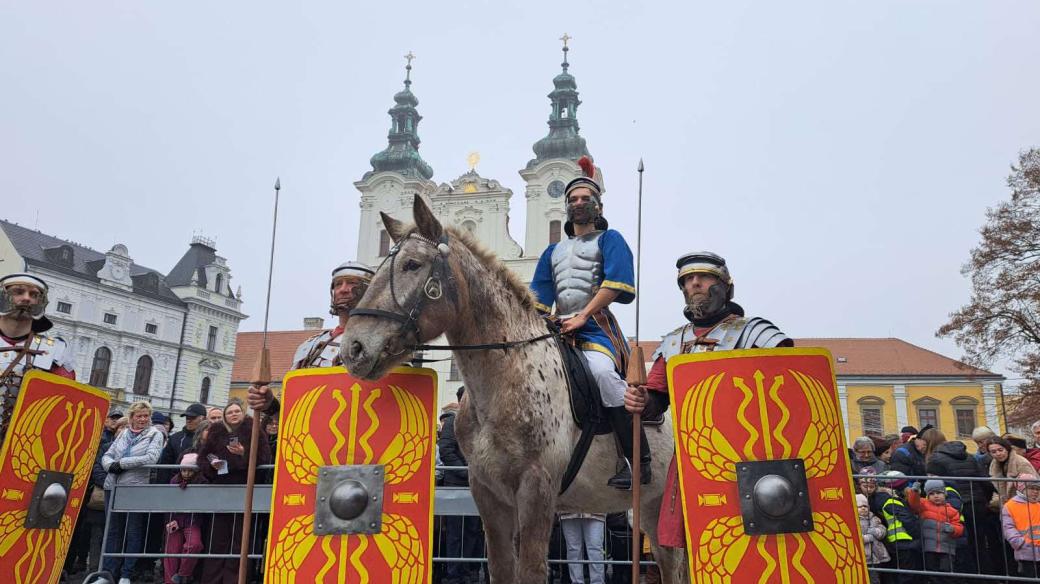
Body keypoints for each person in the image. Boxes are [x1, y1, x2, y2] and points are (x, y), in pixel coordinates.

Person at [624, 251, 791, 547]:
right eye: (688, 280)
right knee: (697, 545)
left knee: (756, 545)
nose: (694, 284)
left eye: (703, 277)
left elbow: (789, 384)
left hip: (751, 456)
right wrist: (642, 400)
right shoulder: (674, 343)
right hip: (694, 458)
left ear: (725, 285)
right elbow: (657, 399)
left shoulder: (755, 333)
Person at [529, 156, 646, 491]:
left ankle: (636, 459)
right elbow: (539, 296)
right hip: (558, 328)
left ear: (597, 205)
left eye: (585, 199)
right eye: (573, 200)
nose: (579, 203)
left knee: (603, 375)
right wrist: (543, 319)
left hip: (595, 327)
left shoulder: (611, 240)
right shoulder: (552, 252)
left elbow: (616, 284)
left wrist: (581, 315)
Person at [248, 261, 375, 416]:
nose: (342, 289)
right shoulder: (310, 346)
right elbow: (294, 413)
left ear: (370, 291)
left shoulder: (387, 344)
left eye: (351, 283)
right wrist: (270, 405)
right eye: (337, 284)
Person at [197, 399, 271, 583]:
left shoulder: (254, 430)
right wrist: (214, 462)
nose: (233, 414)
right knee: (218, 537)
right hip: (221, 488)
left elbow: (265, 457)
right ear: (225, 415)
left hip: (245, 488)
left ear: (243, 412)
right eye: (230, 412)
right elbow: (203, 456)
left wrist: (244, 454)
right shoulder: (216, 430)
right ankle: (213, 578)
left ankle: (236, 578)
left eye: (237, 411)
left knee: (241, 538)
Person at [0, 273, 76, 448]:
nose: (26, 298)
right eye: (18, 291)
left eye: (34, 295)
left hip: (19, 451)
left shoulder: (55, 353)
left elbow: (62, 410)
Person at [100, 400, 165, 584]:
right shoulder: (123, 434)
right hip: (112, 485)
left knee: (133, 531)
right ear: (132, 417)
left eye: (146, 416)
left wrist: (122, 464)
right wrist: (110, 466)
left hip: (135, 487)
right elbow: (108, 454)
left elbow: (151, 457)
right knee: (112, 531)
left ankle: (126, 574)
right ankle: (108, 572)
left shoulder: (155, 434)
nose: (143, 419)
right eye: (139, 416)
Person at [922, 427, 998, 576]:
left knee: (962, 546)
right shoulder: (968, 456)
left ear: (929, 443)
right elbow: (985, 481)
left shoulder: (935, 459)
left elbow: (933, 485)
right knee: (980, 544)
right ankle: (988, 577)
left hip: (955, 506)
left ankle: (967, 577)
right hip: (977, 504)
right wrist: (985, 500)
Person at [438, 387, 484, 584]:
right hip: (456, 485)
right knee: (456, 531)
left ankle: (469, 570)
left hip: (477, 486)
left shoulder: (479, 424)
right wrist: (466, 472)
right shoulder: (451, 422)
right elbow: (447, 451)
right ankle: (455, 572)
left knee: (473, 529)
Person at [163, 452, 208, 584]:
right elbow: (169, 501)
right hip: (175, 519)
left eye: (190, 471)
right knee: (171, 552)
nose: (186, 474)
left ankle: (183, 574)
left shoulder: (202, 483)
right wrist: (170, 519)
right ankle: (169, 581)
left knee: (194, 545)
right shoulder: (174, 481)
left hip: (192, 520)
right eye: (183, 470)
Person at [907, 479, 964, 576]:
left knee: (947, 573)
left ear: (945, 494)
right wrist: (914, 491)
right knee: (932, 573)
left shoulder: (953, 511)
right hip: (929, 547)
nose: (936, 496)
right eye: (932, 494)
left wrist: (953, 529)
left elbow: (959, 527)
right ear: (927, 496)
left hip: (947, 548)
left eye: (939, 493)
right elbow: (913, 503)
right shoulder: (923, 505)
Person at [874, 471, 922, 583]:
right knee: (908, 575)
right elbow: (907, 519)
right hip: (904, 541)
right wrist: (917, 534)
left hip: (901, 541)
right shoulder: (891, 501)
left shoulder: (886, 501)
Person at [1001, 473, 1040, 578]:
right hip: (1026, 552)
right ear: (1022, 489)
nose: (1035, 492)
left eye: (1037, 489)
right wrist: (1019, 542)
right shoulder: (1010, 506)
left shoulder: (1038, 505)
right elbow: (1008, 528)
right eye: (1031, 488)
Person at [158, 403, 208, 483]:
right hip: (176, 486)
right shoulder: (175, 438)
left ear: (203, 418)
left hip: (201, 487)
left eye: (193, 417)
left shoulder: (208, 439)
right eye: (187, 417)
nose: (188, 420)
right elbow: (164, 466)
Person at [559, 512, 606, 584]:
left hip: (595, 510)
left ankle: (597, 582)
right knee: (573, 551)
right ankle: (577, 582)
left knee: (595, 550)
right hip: (569, 510)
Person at [988, 436, 1035, 503]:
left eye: (1000, 450)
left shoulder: (1021, 463)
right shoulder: (993, 465)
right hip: (1008, 504)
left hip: (1025, 503)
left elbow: (1032, 486)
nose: (998, 454)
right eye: (993, 452)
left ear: (1007, 449)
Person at [858, 493, 889, 583]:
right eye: (859, 506)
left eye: (865, 506)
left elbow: (883, 531)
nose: (863, 508)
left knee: (875, 579)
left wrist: (875, 532)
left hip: (875, 556)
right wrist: (868, 538)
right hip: (863, 556)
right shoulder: (854, 521)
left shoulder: (874, 518)